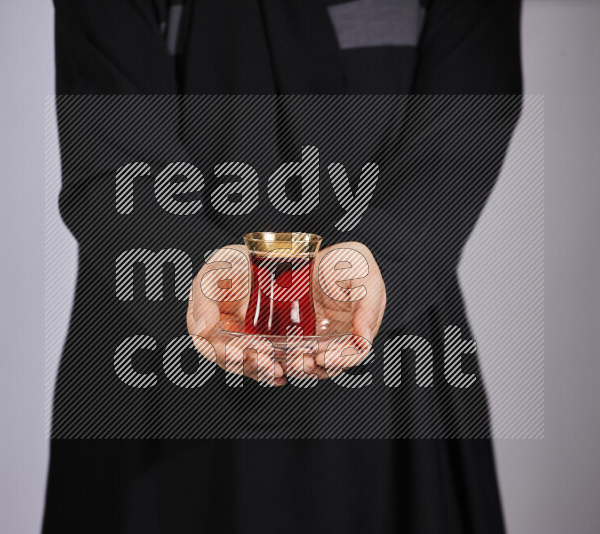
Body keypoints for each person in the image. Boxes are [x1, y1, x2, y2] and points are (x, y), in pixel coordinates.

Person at [44, 0, 523, 532]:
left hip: (390, 363)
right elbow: (110, 149)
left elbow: (465, 125)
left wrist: (378, 262)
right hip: (152, 373)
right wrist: (198, 277)